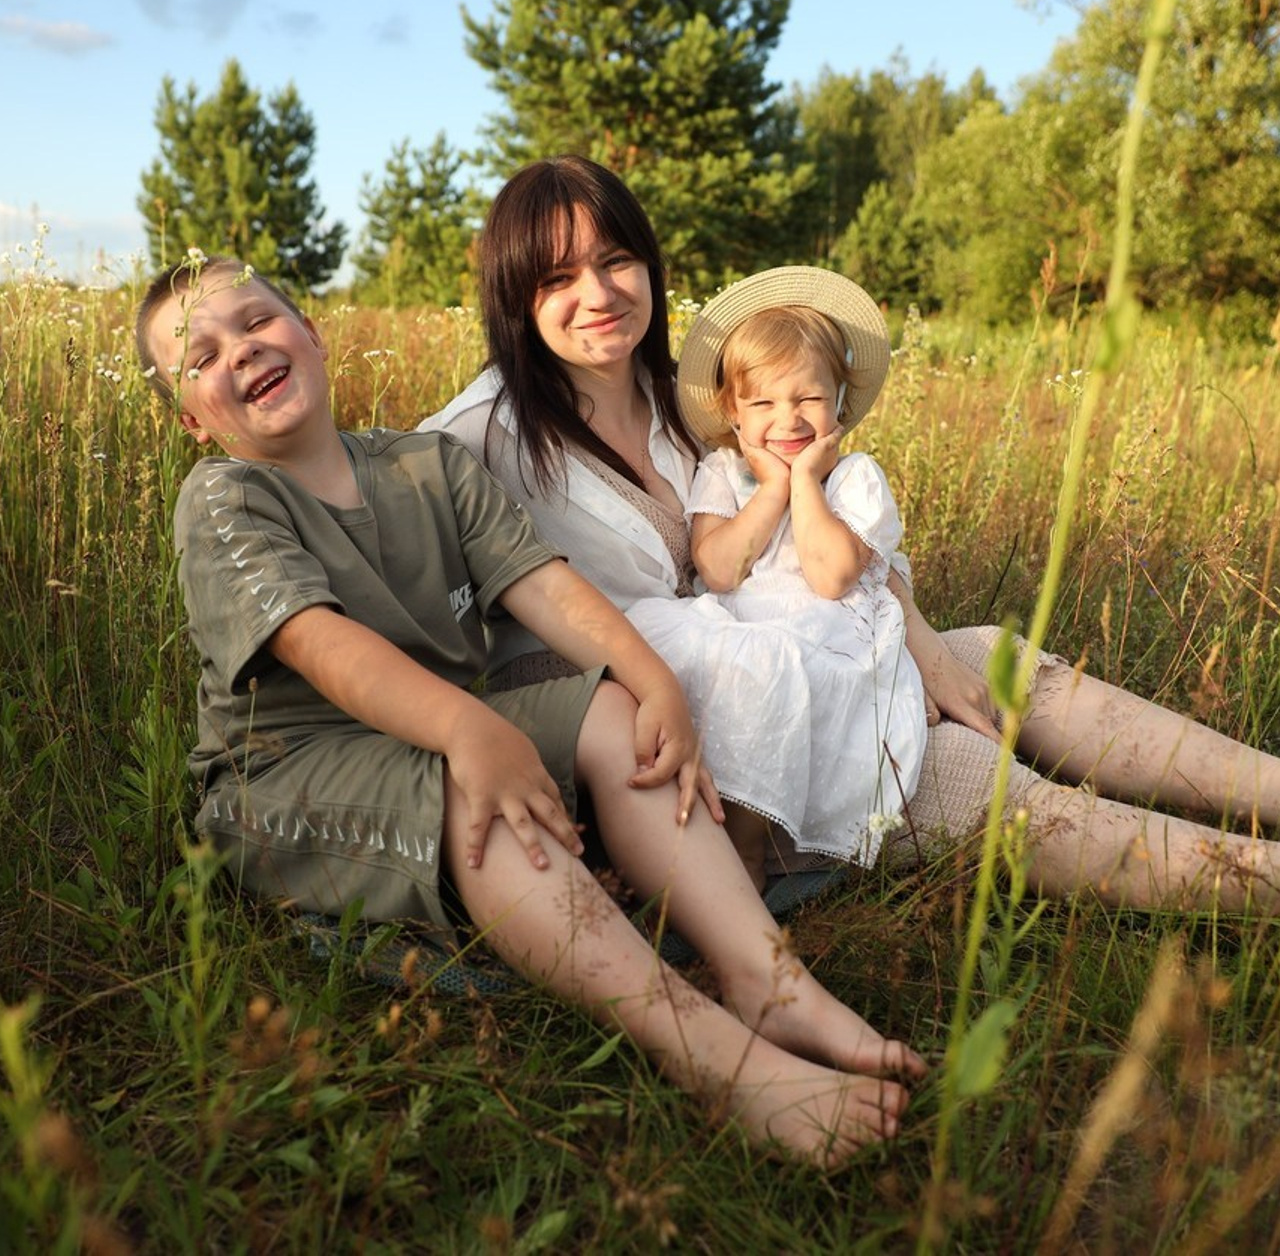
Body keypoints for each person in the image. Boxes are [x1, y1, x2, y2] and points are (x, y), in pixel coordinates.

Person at [136, 254, 929, 1168]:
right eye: (200, 357)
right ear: (194, 418)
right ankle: (719, 1059)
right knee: (482, 791)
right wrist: (473, 730)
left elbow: (545, 586)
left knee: (608, 715)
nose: (238, 351)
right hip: (292, 771)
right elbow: (323, 645)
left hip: (440, 728)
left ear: (311, 336)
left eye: (256, 323)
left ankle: (766, 977)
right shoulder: (227, 497)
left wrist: (652, 682)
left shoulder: (423, 464)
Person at [422, 154, 1280, 914]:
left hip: (784, 647)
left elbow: (819, 539)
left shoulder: (691, 401)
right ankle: (1256, 877)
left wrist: (924, 647)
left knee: (993, 660)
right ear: (515, 296)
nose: (599, 294)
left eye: (616, 261)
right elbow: (374, 558)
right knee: (965, 777)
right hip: (658, 722)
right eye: (558, 279)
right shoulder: (474, 436)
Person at [624, 270, 928, 890]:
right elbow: (717, 567)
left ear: (839, 402)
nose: (787, 420)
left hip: (822, 642)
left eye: (808, 400)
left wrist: (805, 484)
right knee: (676, 642)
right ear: (733, 413)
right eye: (762, 403)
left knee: (773, 665)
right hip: (732, 628)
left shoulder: (856, 479)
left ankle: (748, 857)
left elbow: (831, 577)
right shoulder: (723, 473)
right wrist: (769, 488)